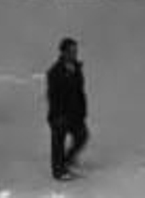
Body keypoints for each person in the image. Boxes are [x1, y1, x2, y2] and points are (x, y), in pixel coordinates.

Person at [47, 38, 89, 182]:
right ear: (63, 52)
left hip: (76, 114)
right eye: (71, 51)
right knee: (58, 143)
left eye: (75, 51)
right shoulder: (54, 72)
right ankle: (58, 171)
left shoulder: (77, 68)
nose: (74, 54)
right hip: (60, 115)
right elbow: (53, 97)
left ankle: (68, 159)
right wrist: (57, 117)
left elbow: (80, 91)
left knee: (82, 136)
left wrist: (83, 110)